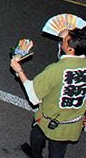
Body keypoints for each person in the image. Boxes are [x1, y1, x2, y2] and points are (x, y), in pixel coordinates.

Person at [11, 27, 86, 158]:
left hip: (48, 120)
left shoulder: (56, 70)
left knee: (37, 138)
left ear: (71, 49)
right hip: (72, 124)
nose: (62, 40)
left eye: (65, 40)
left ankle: (36, 155)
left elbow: (33, 95)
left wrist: (19, 71)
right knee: (58, 151)